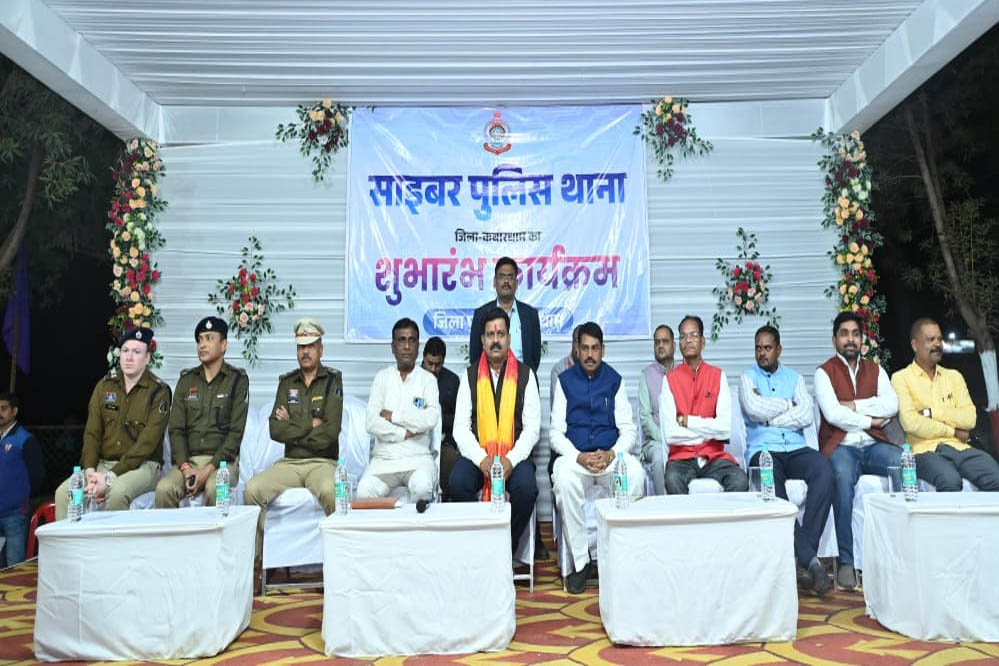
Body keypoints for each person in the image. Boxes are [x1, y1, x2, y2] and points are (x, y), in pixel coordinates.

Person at [551, 321, 644, 593]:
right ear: (577, 350)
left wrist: (613, 453)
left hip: (608, 459)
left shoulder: (615, 380)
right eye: (585, 348)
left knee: (635, 473)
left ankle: (620, 554)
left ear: (603, 349)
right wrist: (578, 457)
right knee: (563, 478)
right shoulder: (565, 382)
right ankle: (582, 562)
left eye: (595, 348)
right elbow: (556, 434)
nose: (590, 354)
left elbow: (629, 431)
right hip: (578, 460)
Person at [739, 325, 833, 595]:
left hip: (795, 447)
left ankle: (804, 559)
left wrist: (771, 416)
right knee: (775, 493)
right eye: (758, 348)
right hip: (764, 450)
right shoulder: (747, 378)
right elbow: (754, 409)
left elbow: (806, 415)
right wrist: (788, 404)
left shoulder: (795, 378)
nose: (762, 353)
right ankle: (812, 563)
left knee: (825, 471)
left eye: (767, 348)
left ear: (778, 349)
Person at [244, 318, 342, 570]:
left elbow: (330, 432)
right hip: (290, 463)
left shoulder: (332, 381)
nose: (305, 352)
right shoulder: (287, 383)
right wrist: (311, 424)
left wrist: (293, 424)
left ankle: (340, 562)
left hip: (322, 462)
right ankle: (259, 564)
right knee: (252, 490)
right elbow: (275, 429)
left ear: (321, 349)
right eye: (301, 347)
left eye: (310, 346)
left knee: (332, 492)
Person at [815, 311, 900, 592]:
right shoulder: (823, 373)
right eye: (844, 334)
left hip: (874, 445)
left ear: (862, 339)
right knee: (841, 480)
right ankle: (846, 562)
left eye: (855, 334)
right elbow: (833, 415)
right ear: (834, 340)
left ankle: (900, 551)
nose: (850, 339)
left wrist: (853, 405)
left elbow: (891, 406)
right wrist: (871, 419)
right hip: (842, 446)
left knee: (903, 463)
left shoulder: (876, 370)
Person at [55, 327, 172, 519]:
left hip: (143, 466)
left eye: (136, 352)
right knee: (63, 493)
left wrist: (110, 477)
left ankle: (111, 540)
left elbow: (147, 444)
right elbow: (92, 433)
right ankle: (67, 539)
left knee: (117, 492)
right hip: (103, 464)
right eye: (125, 351)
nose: (129, 357)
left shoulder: (159, 391)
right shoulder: (105, 386)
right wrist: (90, 471)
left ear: (147, 358)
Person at [450, 308, 540, 552]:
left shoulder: (526, 375)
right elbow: (460, 428)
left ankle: (504, 545)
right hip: (480, 456)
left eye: (501, 334)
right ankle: (481, 541)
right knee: (458, 483)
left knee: (526, 489)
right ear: (482, 340)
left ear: (509, 338)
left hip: (514, 455)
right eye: (490, 334)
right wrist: (482, 460)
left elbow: (532, 429)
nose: (496, 340)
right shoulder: (469, 376)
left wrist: (510, 460)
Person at [892, 317, 999, 491]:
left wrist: (932, 412)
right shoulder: (901, 378)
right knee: (950, 481)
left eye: (940, 339)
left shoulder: (954, 377)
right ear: (915, 345)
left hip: (959, 447)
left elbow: (970, 419)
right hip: (924, 451)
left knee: (995, 476)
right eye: (931, 339)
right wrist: (953, 431)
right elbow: (911, 423)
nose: (938, 344)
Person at [156, 316, 248, 508]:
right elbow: (176, 429)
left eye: (209, 338)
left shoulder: (237, 380)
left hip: (222, 464)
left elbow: (235, 433)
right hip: (188, 462)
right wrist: (185, 468)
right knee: (164, 489)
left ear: (223, 345)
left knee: (216, 489)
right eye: (199, 340)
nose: (202, 345)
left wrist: (208, 470)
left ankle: (217, 530)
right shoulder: (186, 380)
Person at [660, 315, 747, 494]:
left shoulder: (718, 376)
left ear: (703, 342)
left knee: (740, 479)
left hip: (714, 456)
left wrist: (688, 422)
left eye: (693, 335)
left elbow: (724, 430)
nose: (688, 340)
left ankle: (723, 514)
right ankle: (688, 515)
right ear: (679, 344)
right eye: (683, 336)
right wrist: (708, 433)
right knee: (672, 479)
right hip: (681, 458)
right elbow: (671, 434)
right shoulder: (669, 380)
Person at [359, 318, 441, 501]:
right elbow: (371, 422)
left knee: (422, 489)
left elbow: (430, 419)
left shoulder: (428, 380)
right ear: (393, 347)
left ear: (418, 347)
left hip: (418, 458)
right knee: (363, 492)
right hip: (384, 461)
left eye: (412, 340)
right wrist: (404, 433)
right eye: (401, 340)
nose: (407, 346)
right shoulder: (382, 378)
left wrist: (394, 416)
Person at [468, 257, 542, 373]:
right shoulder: (481, 314)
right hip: (490, 380)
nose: (506, 281)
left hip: (523, 379)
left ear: (516, 283)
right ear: (494, 282)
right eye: (502, 277)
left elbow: (535, 357)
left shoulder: (530, 315)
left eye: (510, 277)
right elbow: (475, 356)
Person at [0, 393, 43, 566]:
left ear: (14, 411)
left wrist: (22, 499)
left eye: (3, 408)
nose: (0, 412)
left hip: (14, 514)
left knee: (14, 566)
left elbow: (37, 475)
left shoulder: (25, 439)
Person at [638, 324, 675, 494]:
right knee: (660, 457)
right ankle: (663, 504)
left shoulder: (684, 373)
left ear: (673, 345)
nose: (660, 345)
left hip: (681, 439)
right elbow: (645, 417)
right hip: (654, 442)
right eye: (657, 342)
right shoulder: (646, 375)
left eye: (665, 341)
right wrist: (664, 439)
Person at [421, 336, 460, 497]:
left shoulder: (452, 381)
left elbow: (460, 419)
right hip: (417, 440)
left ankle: (447, 500)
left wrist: (440, 418)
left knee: (450, 460)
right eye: (429, 363)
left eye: (438, 365)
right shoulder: (413, 378)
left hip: (444, 441)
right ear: (423, 358)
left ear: (443, 361)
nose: (433, 369)